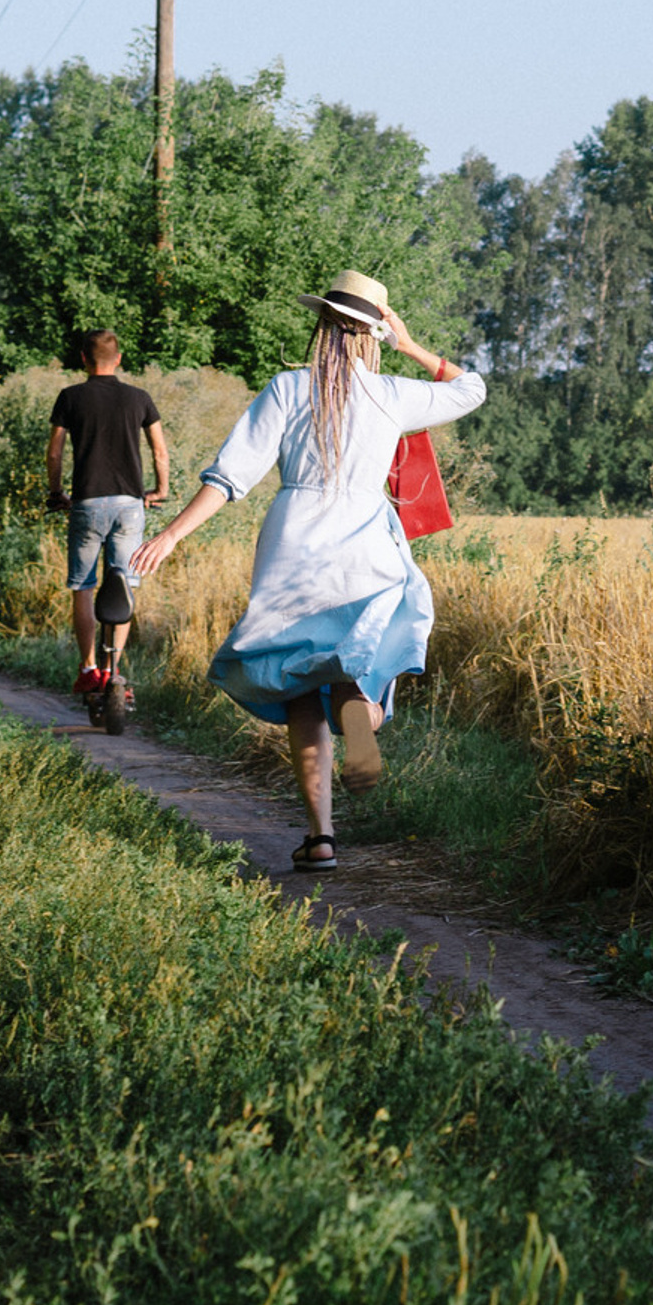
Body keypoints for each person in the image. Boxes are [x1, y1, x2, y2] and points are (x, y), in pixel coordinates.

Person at [130, 270, 482, 869]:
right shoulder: (392, 394)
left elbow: (230, 476)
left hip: (294, 542)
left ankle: (321, 838)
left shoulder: (289, 390)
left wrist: (169, 534)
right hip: (365, 543)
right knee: (353, 666)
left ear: (321, 327)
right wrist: (410, 344)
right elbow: (470, 389)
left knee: (296, 687)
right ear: (372, 334)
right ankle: (362, 718)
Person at [46, 331, 168, 707]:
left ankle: (88, 671)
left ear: (84, 358)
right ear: (118, 359)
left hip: (87, 503)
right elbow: (159, 452)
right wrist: (159, 491)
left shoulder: (70, 397)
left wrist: (56, 493)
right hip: (130, 504)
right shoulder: (139, 398)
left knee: (83, 585)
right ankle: (115, 672)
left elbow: (54, 453)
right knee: (124, 583)